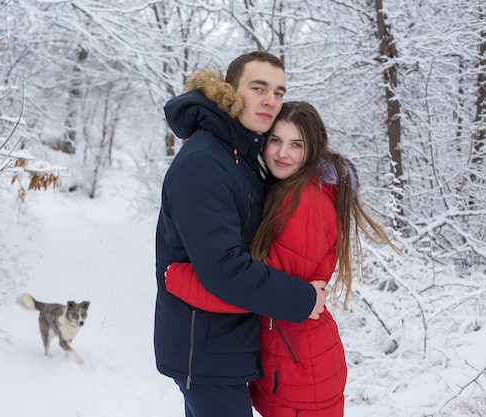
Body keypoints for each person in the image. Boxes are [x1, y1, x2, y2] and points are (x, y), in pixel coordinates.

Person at [165, 101, 400, 417]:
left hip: (302, 371)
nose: (282, 153)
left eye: (296, 145)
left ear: (313, 148)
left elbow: (255, 291)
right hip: (292, 362)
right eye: (275, 140)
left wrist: (178, 278)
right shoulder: (287, 188)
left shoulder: (305, 204)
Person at [154, 52, 328, 417]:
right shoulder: (205, 163)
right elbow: (224, 269)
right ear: (229, 91)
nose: (271, 100)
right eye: (258, 87)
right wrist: (303, 299)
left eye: (279, 92)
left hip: (226, 346)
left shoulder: (239, 154)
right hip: (205, 351)